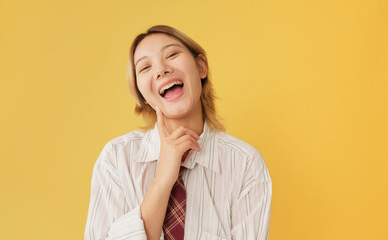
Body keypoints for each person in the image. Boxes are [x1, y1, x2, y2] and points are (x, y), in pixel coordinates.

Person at [85, 25, 272, 240]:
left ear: (201, 67)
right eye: (145, 68)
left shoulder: (245, 163)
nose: (161, 69)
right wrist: (163, 178)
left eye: (172, 54)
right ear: (142, 95)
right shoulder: (116, 160)